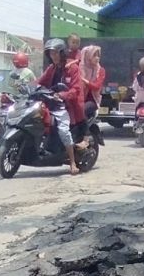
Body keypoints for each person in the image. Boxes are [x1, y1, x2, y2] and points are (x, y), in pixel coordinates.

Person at [37, 38, 85, 174]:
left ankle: (72, 162)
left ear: (63, 53)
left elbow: (75, 90)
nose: (54, 56)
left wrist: (62, 95)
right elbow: (40, 82)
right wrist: (28, 88)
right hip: (49, 103)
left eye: (56, 53)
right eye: (51, 54)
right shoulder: (52, 68)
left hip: (65, 106)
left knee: (63, 131)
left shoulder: (72, 68)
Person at [80, 45, 106, 122]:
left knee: (82, 111)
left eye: (98, 56)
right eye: (94, 55)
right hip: (79, 98)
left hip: (93, 100)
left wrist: (84, 81)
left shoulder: (100, 70)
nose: (97, 58)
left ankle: (83, 132)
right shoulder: (80, 68)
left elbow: (97, 86)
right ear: (88, 56)